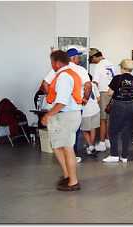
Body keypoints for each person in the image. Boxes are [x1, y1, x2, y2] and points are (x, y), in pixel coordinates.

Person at [41, 50, 82, 191]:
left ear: (57, 63)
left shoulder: (64, 76)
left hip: (65, 115)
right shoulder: (69, 73)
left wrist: (48, 115)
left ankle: (73, 182)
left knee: (67, 148)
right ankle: (67, 176)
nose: (52, 65)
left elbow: (62, 102)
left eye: (52, 62)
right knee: (58, 146)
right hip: (66, 115)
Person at [43, 48, 92, 163]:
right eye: (78, 57)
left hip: (58, 110)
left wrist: (51, 98)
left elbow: (45, 84)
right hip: (74, 109)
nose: (79, 59)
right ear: (73, 58)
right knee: (72, 136)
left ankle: (67, 165)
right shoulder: (80, 70)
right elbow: (88, 86)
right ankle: (72, 158)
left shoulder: (57, 70)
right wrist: (84, 99)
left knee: (59, 141)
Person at [102, 59, 133, 163]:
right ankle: (125, 156)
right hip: (131, 105)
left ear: (122, 68)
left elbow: (109, 93)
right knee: (127, 131)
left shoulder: (117, 78)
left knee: (113, 130)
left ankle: (114, 155)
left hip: (119, 105)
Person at [89, 48, 116, 152]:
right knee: (110, 119)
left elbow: (95, 82)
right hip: (112, 93)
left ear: (95, 57)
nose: (92, 62)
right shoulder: (111, 63)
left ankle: (101, 143)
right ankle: (108, 140)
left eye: (92, 59)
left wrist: (94, 96)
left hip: (103, 93)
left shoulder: (99, 65)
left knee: (103, 119)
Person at [81, 74, 100, 155]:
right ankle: (91, 147)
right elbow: (98, 98)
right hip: (96, 110)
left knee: (84, 130)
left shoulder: (82, 86)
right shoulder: (94, 85)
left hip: (86, 112)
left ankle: (90, 146)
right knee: (93, 129)